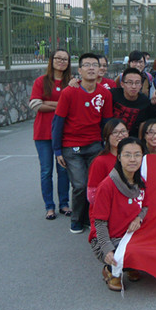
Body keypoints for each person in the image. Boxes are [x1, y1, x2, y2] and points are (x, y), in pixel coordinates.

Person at [52, 53, 113, 234]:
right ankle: (76, 219)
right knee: (79, 185)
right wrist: (57, 150)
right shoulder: (69, 92)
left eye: (95, 64)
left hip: (95, 145)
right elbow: (58, 122)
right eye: (86, 65)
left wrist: (108, 147)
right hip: (72, 147)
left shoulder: (105, 93)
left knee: (96, 184)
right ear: (79, 70)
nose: (91, 68)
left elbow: (107, 122)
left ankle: (92, 217)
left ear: (100, 69)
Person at [89, 137, 147, 291]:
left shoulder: (140, 181)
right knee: (133, 253)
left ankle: (130, 265)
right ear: (119, 157)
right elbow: (99, 223)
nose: (133, 159)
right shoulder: (107, 186)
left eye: (137, 155)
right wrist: (107, 249)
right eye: (127, 155)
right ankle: (111, 271)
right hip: (110, 238)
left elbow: (146, 206)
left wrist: (138, 218)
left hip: (131, 234)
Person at [29, 48, 72, 220]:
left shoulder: (72, 83)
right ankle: (49, 206)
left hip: (64, 133)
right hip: (43, 133)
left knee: (63, 170)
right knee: (46, 171)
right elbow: (36, 105)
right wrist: (61, 104)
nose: (61, 61)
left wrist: (49, 103)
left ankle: (64, 204)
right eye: (58, 58)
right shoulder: (41, 81)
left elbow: (73, 106)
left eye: (65, 59)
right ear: (52, 60)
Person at [87, 119, 129, 227]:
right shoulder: (100, 161)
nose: (120, 135)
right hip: (106, 214)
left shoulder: (134, 159)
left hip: (129, 212)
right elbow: (92, 196)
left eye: (123, 131)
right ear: (106, 137)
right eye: (115, 132)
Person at [111, 67, 151, 136]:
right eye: (130, 82)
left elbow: (143, 125)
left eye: (137, 83)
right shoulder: (113, 94)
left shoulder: (145, 102)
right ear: (122, 84)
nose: (134, 86)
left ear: (141, 85)